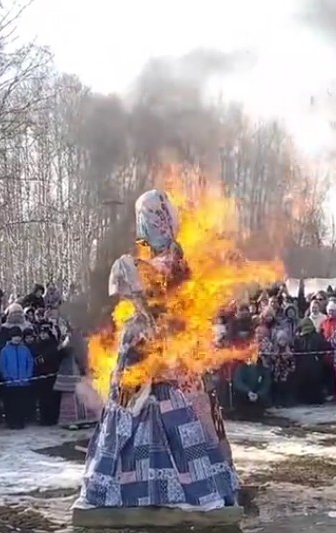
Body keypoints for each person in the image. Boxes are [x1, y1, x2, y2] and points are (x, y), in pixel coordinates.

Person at [76, 188, 238, 511]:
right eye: (150, 216)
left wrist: (130, 270)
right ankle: (121, 488)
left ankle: (195, 491)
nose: (151, 224)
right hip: (148, 347)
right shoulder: (156, 261)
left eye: (152, 217)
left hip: (165, 351)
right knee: (131, 411)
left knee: (173, 412)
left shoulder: (171, 262)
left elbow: (158, 290)